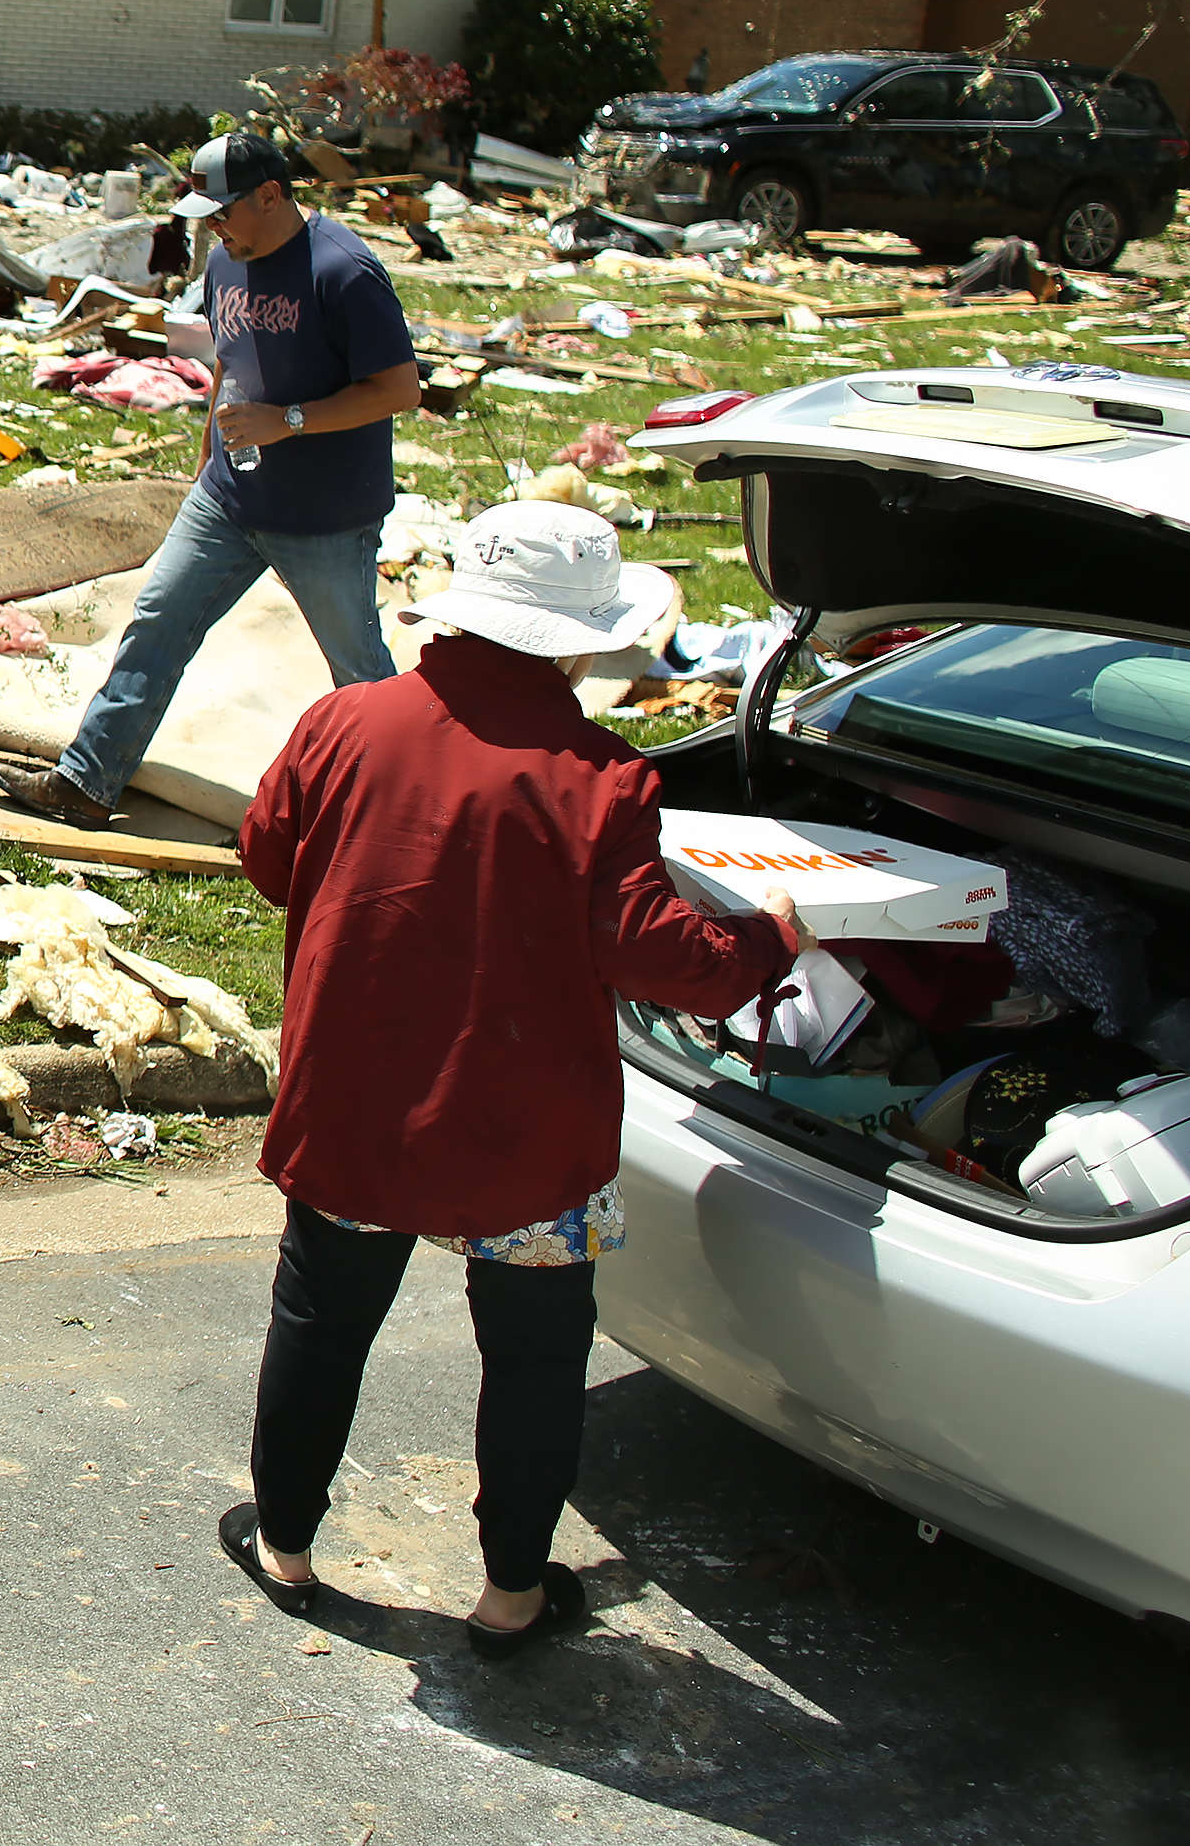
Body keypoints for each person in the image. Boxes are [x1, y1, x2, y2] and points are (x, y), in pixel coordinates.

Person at [219, 500, 807, 1657]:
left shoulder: (343, 721)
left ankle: (284, 1540)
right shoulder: (603, 778)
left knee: (320, 1320)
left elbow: (271, 860)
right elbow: (663, 959)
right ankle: (513, 1593)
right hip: (526, 1131)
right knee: (536, 1357)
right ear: (575, 640)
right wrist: (770, 940)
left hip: (358, 1102)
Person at [0, 132, 424, 827]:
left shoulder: (342, 270)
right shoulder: (227, 262)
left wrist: (287, 420)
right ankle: (87, 782)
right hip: (230, 497)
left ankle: (412, 815)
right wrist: (207, 457)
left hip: (326, 514)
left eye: (224, 211)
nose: (216, 229)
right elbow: (230, 361)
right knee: (159, 620)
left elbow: (400, 388)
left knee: (358, 671)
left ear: (271, 194)